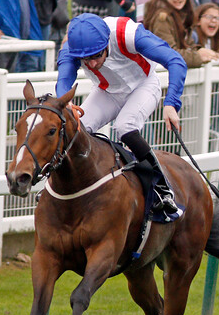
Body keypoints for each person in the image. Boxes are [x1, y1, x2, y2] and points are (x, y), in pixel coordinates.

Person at [55, 14, 189, 217]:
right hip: (107, 91)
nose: (91, 65)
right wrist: (66, 103)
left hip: (144, 85)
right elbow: (64, 79)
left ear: (106, 42)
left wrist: (171, 103)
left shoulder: (126, 33)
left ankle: (162, 188)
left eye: (96, 56)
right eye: (85, 59)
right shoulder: (71, 49)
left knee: (125, 127)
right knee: (74, 129)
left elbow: (175, 60)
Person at [144, 0, 219, 68]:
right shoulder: (162, 18)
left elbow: (187, 45)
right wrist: (199, 57)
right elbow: (167, 53)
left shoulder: (183, 17)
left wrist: (202, 51)